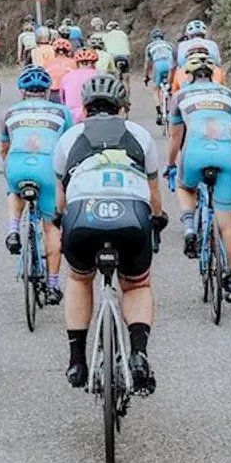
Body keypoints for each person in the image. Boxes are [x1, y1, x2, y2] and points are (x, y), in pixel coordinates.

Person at [53, 74, 166, 393]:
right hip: (131, 215)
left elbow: (61, 198)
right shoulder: (140, 135)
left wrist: (58, 218)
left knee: (78, 278)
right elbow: (153, 192)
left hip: (83, 215)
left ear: (84, 109)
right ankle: (139, 355)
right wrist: (158, 219)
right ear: (121, 108)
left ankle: (77, 361)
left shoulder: (69, 138)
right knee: (136, 284)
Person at [165, 49, 231, 300]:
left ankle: (189, 228)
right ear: (213, 75)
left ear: (187, 75)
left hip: (195, 154)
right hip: (227, 156)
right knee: (228, 225)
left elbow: (176, 137)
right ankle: (230, 278)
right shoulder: (228, 94)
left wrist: (170, 164)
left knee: (185, 187)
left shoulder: (180, 95)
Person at [0, 66, 72, 303]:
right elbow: (69, 147)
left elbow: (4, 148)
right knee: (51, 226)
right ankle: (52, 284)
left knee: (14, 189)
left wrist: (10, 169)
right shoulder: (62, 112)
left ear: (22, 91)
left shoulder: (9, 112)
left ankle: (12, 229)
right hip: (47, 166)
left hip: (17, 163)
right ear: (48, 91)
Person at [59, 47, 100, 119]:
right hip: (92, 115)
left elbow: (62, 99)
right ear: (94, 63)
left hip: (71, 116)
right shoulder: (99, 74)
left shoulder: (66, 77)